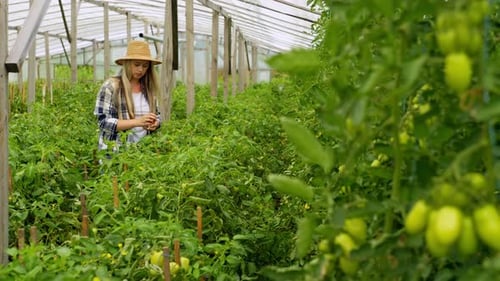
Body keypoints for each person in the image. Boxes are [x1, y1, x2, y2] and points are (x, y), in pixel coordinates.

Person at [94, 40, 162, 151]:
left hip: (145, 152)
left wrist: (156, 123)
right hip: (117, 154)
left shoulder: (149, 89)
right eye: (136, 64)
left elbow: (158, 114)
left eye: (145, 66)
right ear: (127, 63)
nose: (141, 69)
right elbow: (103, 122)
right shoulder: (111, 86)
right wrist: (137, 122)